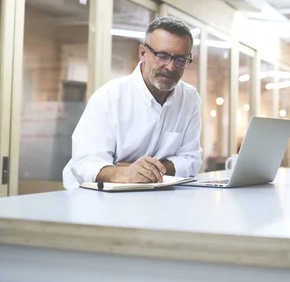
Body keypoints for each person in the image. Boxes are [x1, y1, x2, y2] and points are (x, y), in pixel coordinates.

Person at [62, 17, 202, 190]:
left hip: (154, 198)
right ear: (143, 53)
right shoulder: (109, 97)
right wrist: (122, 173)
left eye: (180, 60)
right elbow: (85, 162)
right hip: (93, 199)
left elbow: (191, 160)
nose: (171, 67)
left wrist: (146, 170)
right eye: (162, 56)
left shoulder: (190, 99)